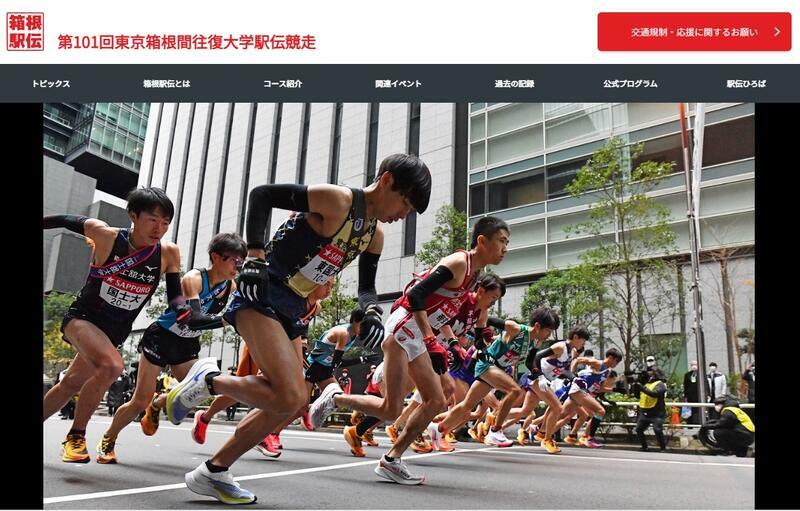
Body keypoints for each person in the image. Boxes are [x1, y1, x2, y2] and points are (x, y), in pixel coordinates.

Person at [167, 153, 431, 504]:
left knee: (290, 402)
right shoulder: (338, 200)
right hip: (262, 294)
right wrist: (256, 258)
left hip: (293, 309)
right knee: (291, 395)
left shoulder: (374, 234)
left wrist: (370, 312)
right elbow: (261, 195)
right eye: (405, 202)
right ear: (386, 181)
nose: (403, 215)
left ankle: (214, 471)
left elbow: (367, 287)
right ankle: (207, 383)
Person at [308, 215, 510, 485]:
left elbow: (453, 312)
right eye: (502, 241)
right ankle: (334, 399)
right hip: (405, 329)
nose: (505, 248)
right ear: (482, 241)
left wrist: (466, 338)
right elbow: (415, 295)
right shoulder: (459, 263)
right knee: (392, 408)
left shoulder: (475, 277)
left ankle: (391, 460)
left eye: (507, 243)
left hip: (418, 336)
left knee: (435, 400)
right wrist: (431, 340)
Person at [42, 187, 181, 464]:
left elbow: (176, 298)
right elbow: (65, 219)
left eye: (165, 222)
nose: (159, 228)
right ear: (133, 215)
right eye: (152, 219)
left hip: (114, 332)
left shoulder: (168, 253)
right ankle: (76, 437)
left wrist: (187, 311)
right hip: (83, 319)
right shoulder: (105, 235)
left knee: (71, 382)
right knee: (112, 366)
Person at [95, 232, 246, 464]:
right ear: (216, 257)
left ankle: (157, 404)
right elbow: (192, 318)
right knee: (139, 400)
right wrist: (228, 319)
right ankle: (108, 439)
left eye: (241, 261)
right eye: (233, 260)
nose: (237, 266)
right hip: (162, 337)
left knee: (199, 389)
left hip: (186, 343)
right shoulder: (193, 279)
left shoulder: (230, 286)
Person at [634, 367, 667, 451]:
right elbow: (638, 396)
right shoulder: (645, 383)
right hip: (644, 412)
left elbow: (654, 394)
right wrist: (636, 386)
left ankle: (663, 448)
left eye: (651, 372)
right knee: (638, 429)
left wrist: (642, 387)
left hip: (657, 413)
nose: (649, 374)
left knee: (657, 430)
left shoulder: (660, 384)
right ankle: (644, 447)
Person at [682, 360, 707, 424]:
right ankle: (690, 424)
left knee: (699, 410)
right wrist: (685, 396)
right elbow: (685, 385)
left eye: (695, 365)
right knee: (690, 410)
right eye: (692, 365)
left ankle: (699, 423)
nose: (694, 366)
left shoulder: (701, 374)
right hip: (690, 396)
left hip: (699, 395)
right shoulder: (687, 375)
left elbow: (706, 385)